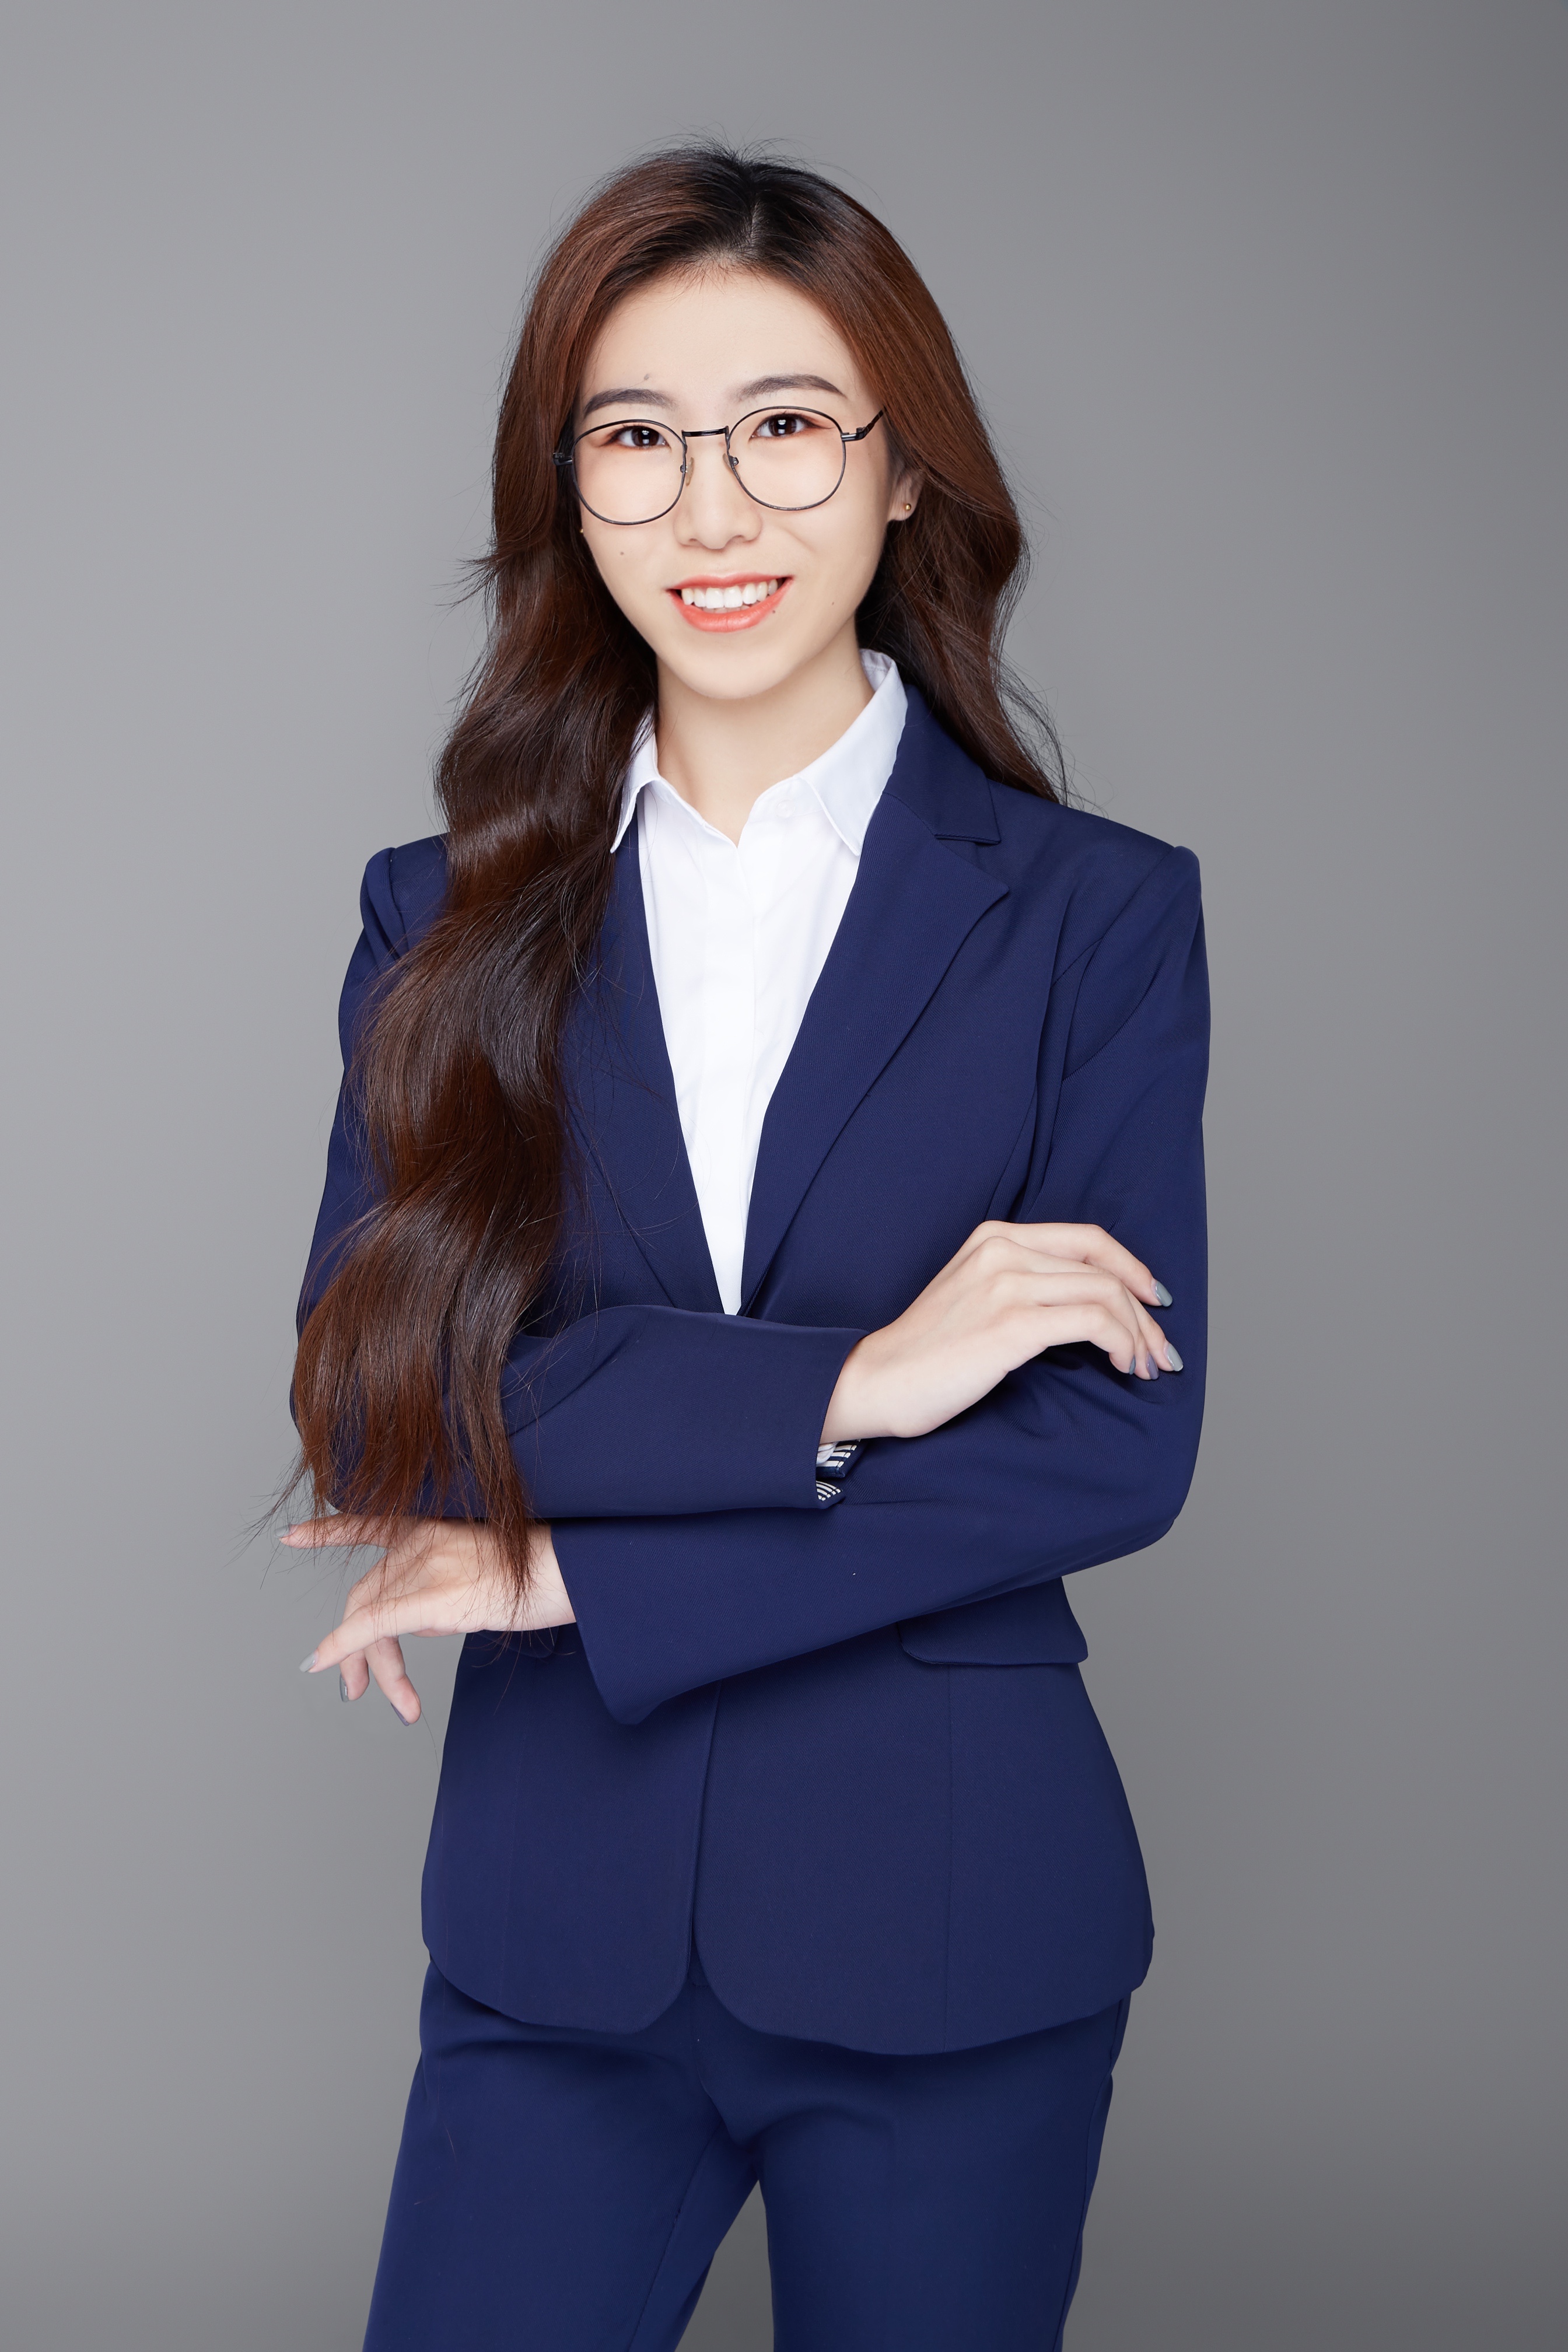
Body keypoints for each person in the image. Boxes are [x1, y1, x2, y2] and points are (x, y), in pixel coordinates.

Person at [286, 144, 1208, 2352]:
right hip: (554, 1932)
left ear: (904, 467)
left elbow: (1103, 1454)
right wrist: (855, 1383)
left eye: (786, 426)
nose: (713, 511)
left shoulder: (1093, 915)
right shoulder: (440, 920)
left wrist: (578, 1570)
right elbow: (386, 1403)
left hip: (957, 1926)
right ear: (571, 492)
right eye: (637, 438)